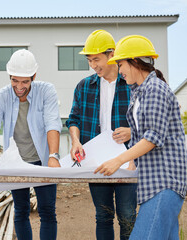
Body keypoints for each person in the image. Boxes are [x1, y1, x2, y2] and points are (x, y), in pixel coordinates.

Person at [95, 35, 187, 239]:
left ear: (135, 62)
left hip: (165, 181)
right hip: (154, 182)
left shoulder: (155, 89)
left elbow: (153, 136)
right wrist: (134, 163)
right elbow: (142, 134)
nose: (119, 71)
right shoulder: (139, 91)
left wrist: (119, 159)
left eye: (121, 64)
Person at [0, 49, 62, 240]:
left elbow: (52, 123)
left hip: (43, 160)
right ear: (10, 76)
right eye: (15, 80)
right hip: (16, 162)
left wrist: (53, 156)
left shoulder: (46, 91)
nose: (19, 86)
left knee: (47, 211)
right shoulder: (1, 97)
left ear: (34, 76)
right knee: (21, 210)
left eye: (25, 81)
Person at [65, 29, 137, 240]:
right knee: (102, 216)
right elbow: (74, 119)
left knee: (127, 217)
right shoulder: (84, 86)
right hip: (96, 163)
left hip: (127, 161)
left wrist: (133, 131)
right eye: (89, 60)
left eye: (97, 59)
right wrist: (75, 141)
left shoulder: (132, 84)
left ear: (111, 54)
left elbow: (149, 121)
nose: (93, 65)